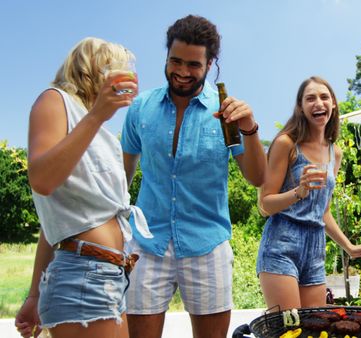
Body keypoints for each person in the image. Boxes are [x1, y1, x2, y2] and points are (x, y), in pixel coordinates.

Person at [120, 15, 266, 338]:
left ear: (210, 63)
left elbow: (257, 177)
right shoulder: (140, 108)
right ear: (166, 55)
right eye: (175, 61)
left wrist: (250, 129)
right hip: (146, 243)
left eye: (193, 65)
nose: (183, 72)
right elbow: (121, 180)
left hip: (207, 244)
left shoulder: (227, 112)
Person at [14, 37, 150, 338]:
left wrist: (35, 295)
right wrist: (98, 114)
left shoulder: (95, 128)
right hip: (84, 276)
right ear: (93, 69)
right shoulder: (54, 100)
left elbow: (56, 222)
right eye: (115, 68)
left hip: (107, 274)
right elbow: (42, 180)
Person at [256, 76, 361, 310]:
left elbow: (324, 212)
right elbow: (265, 204)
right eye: (310, 98)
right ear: (300, 107)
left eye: (324, 97)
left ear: (333, 104)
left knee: (314, 329)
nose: (318, 103)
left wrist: (349, 247)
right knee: (288, 330)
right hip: (281, 245)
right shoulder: (286, 144)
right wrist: (298, 192)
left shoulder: (335, 153)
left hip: (315, 250)